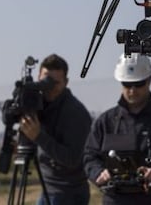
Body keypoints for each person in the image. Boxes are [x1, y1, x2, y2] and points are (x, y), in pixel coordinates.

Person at [83, 53, 151, 205]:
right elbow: (89, 156)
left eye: (138, 83)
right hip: (115, 199)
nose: (132, 90)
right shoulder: (106, 121)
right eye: (127, 84)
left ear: (149, 80)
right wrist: (99, 173)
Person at [18, 54, 92, 205]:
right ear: (39, 77)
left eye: (55, 83)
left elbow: (72, 159)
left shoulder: (75, 113)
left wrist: (38, 136)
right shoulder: (40, 103)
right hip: (48, 189)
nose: (49, 88)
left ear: (66, 82)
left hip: (69, 193)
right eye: (46, 82)